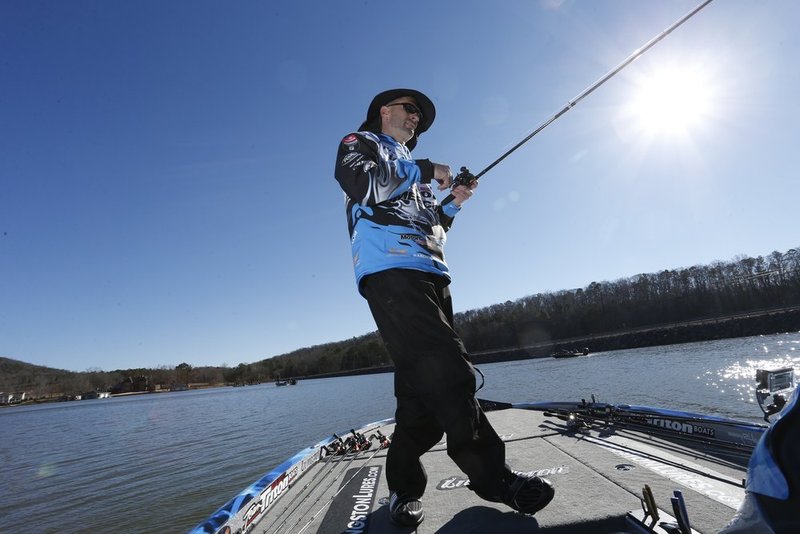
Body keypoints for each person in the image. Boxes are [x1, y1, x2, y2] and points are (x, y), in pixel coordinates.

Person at [333, 88, 555, 527]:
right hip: (390, 272)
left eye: (421, 115)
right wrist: (423, 169)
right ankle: (495, 481)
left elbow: (428, 221)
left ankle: (401, 489)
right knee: (451, 369)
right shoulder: (359, 144)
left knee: (420, 402)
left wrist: (453, 200)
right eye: (410, 109)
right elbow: (365, 185)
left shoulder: (409, 168)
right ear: (384, 111)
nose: (416, 118)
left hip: (431, 274)